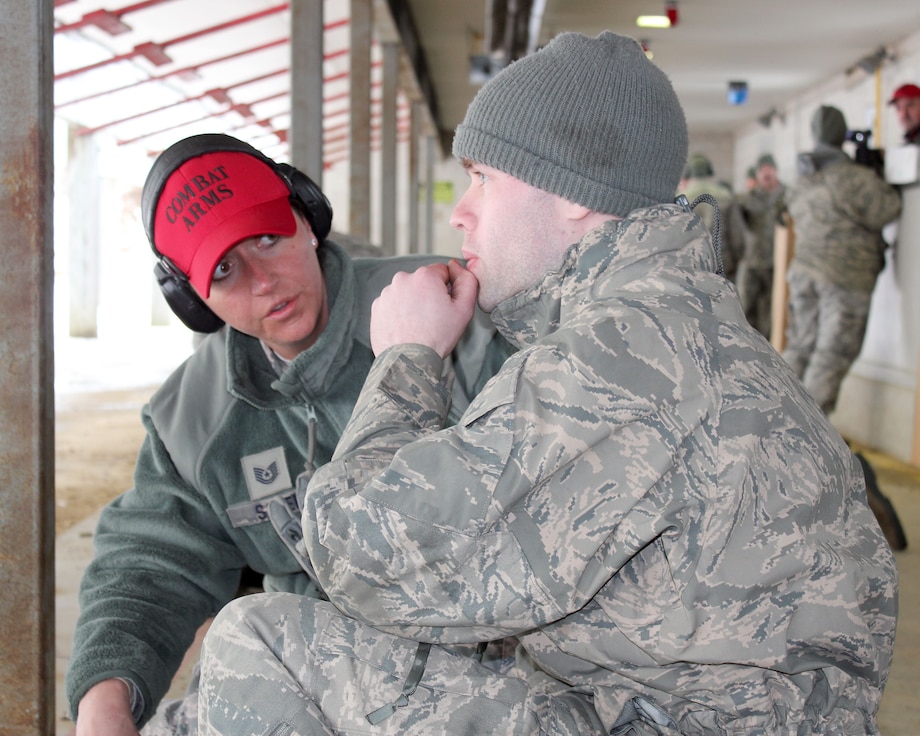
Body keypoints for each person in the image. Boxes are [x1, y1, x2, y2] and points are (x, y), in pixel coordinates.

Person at [193, 32, 898, 735]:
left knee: (259, 642)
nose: (459, 212)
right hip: (683, 710)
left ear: (573, 192)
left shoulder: (620, 357)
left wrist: (406, 358)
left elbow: (361, 556)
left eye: (483, 177)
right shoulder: (674, 323)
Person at [64, 133, 512, 735]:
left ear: (308, 218)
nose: (263, 281)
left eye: (268, 238)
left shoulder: (458, 312)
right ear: (191, 299)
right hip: (309, 669)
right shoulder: (191, 417)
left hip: (481, 659)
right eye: (224, 269)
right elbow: (150, 563)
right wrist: (104, 706)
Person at [782, 106, 906, 552]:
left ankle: (782, 422)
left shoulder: (803, 176)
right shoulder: (849, 177)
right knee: (832, 357)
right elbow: (887, 207)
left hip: (806, 275)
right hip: (844, 280)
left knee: (799, 350)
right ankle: (804, 442)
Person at [736, 153, 785, 338]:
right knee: (746, 308)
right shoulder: (748, 199)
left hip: (777, 265)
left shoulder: (786, 196)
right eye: (762, 170)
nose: (766, 174)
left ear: (775, 171)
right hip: (752, 262)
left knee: (774, 312)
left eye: (769, 169)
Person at [678, 152, 746, 281]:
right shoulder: (725, 196)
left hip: (689, 265)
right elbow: (738, 236)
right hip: (722, 263)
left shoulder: (679, 198)